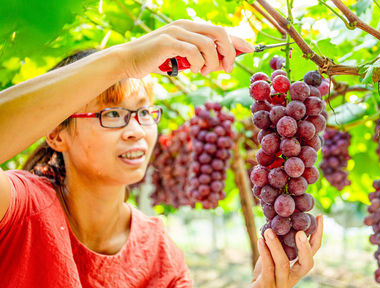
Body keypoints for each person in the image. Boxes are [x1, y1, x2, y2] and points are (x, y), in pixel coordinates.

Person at [0, 20, 323, 287]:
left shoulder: (158, 250)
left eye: (143, 113)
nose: (135, 130)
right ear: (56, 133)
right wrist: (123, 60)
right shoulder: (20, 208)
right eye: (112, 115)